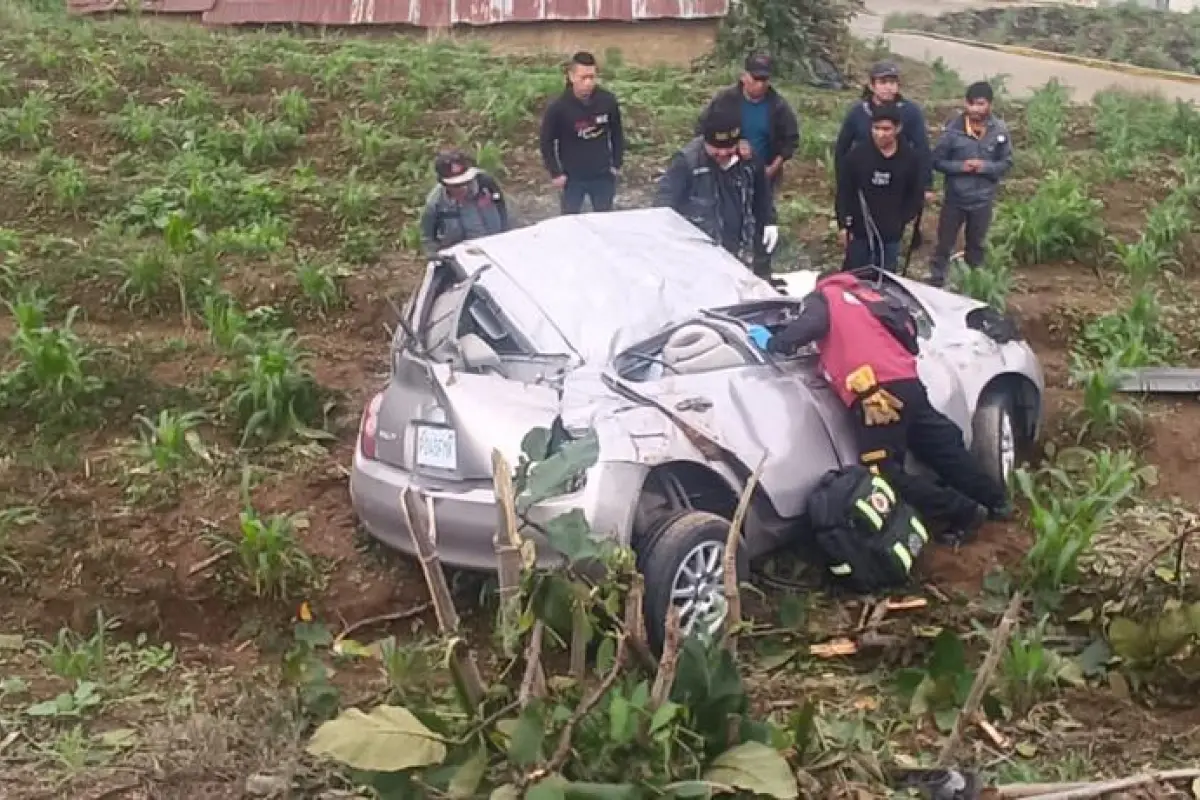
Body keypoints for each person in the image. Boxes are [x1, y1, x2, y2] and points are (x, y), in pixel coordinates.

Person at [752, 272, 1013, 542]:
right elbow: (910, 339)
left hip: (876, 395)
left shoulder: (825, 296)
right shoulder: (873, 298)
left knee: (883, 473)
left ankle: (963, 512)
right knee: (943, 449)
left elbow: (806, 328)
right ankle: (997, 501)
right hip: (908, 383)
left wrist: (774, 342)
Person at [695, 53, 798, 277]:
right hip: (727, 172)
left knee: (762, 218)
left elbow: (790, 141)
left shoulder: (778, 106)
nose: (760, 85)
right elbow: (703, 130)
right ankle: (725, 266)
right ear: (744, 77)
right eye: (755, 79)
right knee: (728, 217)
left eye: (764, 80)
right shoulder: (725, 100)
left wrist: (772, 167)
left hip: (763, 173)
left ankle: (761, 271)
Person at [655, 104, 779, 275]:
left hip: (740, 256)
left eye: (728, 148)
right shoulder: (687, 162)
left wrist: (769, 221)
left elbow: (762, 195)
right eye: (716, 148)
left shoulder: (749, 160)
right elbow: (663, 206)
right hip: (698, 259)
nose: (722, 153)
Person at [928, 81, 1013, 287]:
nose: (975, 109)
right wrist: (961, 167)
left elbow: (1007, 162)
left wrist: (984, 167)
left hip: (983, 200)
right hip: (955, 199)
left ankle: (973, 284)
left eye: (980, 104)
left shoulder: (999, 130)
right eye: (971, 104)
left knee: (976, 245)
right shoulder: (953, 130)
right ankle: (937, 280)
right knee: (944, 243)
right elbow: (936, 161)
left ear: (990, 105)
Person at [835, 103, 924, 272]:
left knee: (884, 280)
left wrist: (902, 219)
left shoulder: (910, 158)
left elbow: (915, 194)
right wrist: (843, 225)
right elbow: (844, 192)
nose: (880, 134)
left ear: (897, 129)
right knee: (855, 277)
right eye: (876, 128)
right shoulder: (857, 156)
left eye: (886, 129)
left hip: (891, 233)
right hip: (860, 231)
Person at [538, 50, 625, 215]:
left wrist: (616, 163)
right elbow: (546, 141)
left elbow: (617, 133)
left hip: (602, 175)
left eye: (592, 77)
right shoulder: (559, 107)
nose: (588, 82)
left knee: (605, 220)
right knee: (570, 222)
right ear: (572, 76)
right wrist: (555, 173)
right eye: (583, 78)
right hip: (572, 178)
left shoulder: (607, 101)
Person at [833, 61, 933, 199]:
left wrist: (926, 185)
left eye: (892, 83)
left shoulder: (910, 112)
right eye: (883, 82)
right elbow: (842, 148)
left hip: (898, 180)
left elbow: (921, 148)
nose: (888, 87)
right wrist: (843, 182)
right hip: (864, 177)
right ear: (872, 85)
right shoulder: (858, 112)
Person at [419, 149, 510, 258]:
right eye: (456, 185)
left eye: (466, 182)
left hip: (496, 248)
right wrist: (437, 256)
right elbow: (428, 239)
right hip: (461, 258)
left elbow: (505, 212)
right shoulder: (435, 204)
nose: (463, 188)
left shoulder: (487, 185)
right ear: (444, 184)